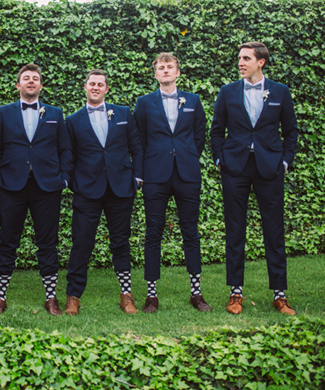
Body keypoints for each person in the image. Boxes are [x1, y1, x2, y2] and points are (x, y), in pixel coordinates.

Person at [210, 42, 299, 315]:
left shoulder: (280, 92)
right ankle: (235, 293)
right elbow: (216, 130)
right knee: (235, 231)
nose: (240, 62)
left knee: (274, 232)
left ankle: (280, 295)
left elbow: (291, 131)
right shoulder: (227, 92)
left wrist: (284, 162)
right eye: (239, 57)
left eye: (246, 58)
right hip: (235, 168)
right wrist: (219, 160)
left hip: (269, 168)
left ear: (261, 62)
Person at [0, 63, 72, 316]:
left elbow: (65, 149)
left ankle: (51, 298)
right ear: (18, 85)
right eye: (26, 78)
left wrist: (64, 178)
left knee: (47, 243)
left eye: (35, 78)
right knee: (7, 242)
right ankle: (0, 298)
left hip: (47, 187)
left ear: (41, 85)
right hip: (11, 186)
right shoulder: (3, 113)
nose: (31, 81)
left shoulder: (55, 113)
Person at [133, 53, 211, 313]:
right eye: (161, 67)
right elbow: (140, 139)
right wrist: (145, 170)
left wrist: (187, 155)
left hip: (187, 174)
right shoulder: (143, 103)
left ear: (178, 72)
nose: (165, 70)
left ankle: (196, 293)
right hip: (155, 175)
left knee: (191, 232)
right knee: (153, 233)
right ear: (155, 74)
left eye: (170, 67)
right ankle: (151, 295)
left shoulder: (193, 100)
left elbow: (199, 135)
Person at [64, 69, 143, 316]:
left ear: (107, 89)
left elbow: (137, 147)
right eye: (92, 84)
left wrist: (137, 178)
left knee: (120, 243)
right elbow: (69, 156)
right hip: (87, 190)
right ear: (85, 87)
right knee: (81, 243)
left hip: (120, 188)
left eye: (101, 84)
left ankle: (126, 295)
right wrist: (73, 183)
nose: (96, 87)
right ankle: (73, 297)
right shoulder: (73, 120)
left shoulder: (123, 114)